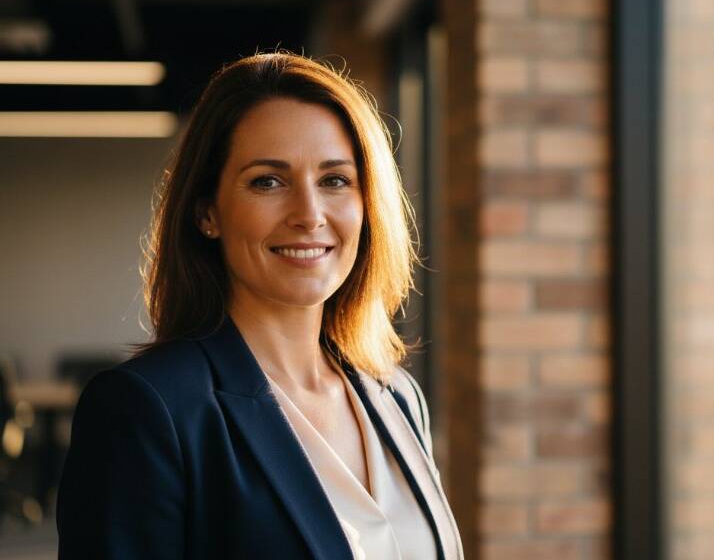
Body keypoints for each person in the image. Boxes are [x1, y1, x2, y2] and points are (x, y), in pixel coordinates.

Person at [56, 51, 463, 560]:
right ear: (208, 212)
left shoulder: (397, 396)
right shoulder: (148, 410)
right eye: (268, 181)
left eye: (335, 180)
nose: (309, 214)